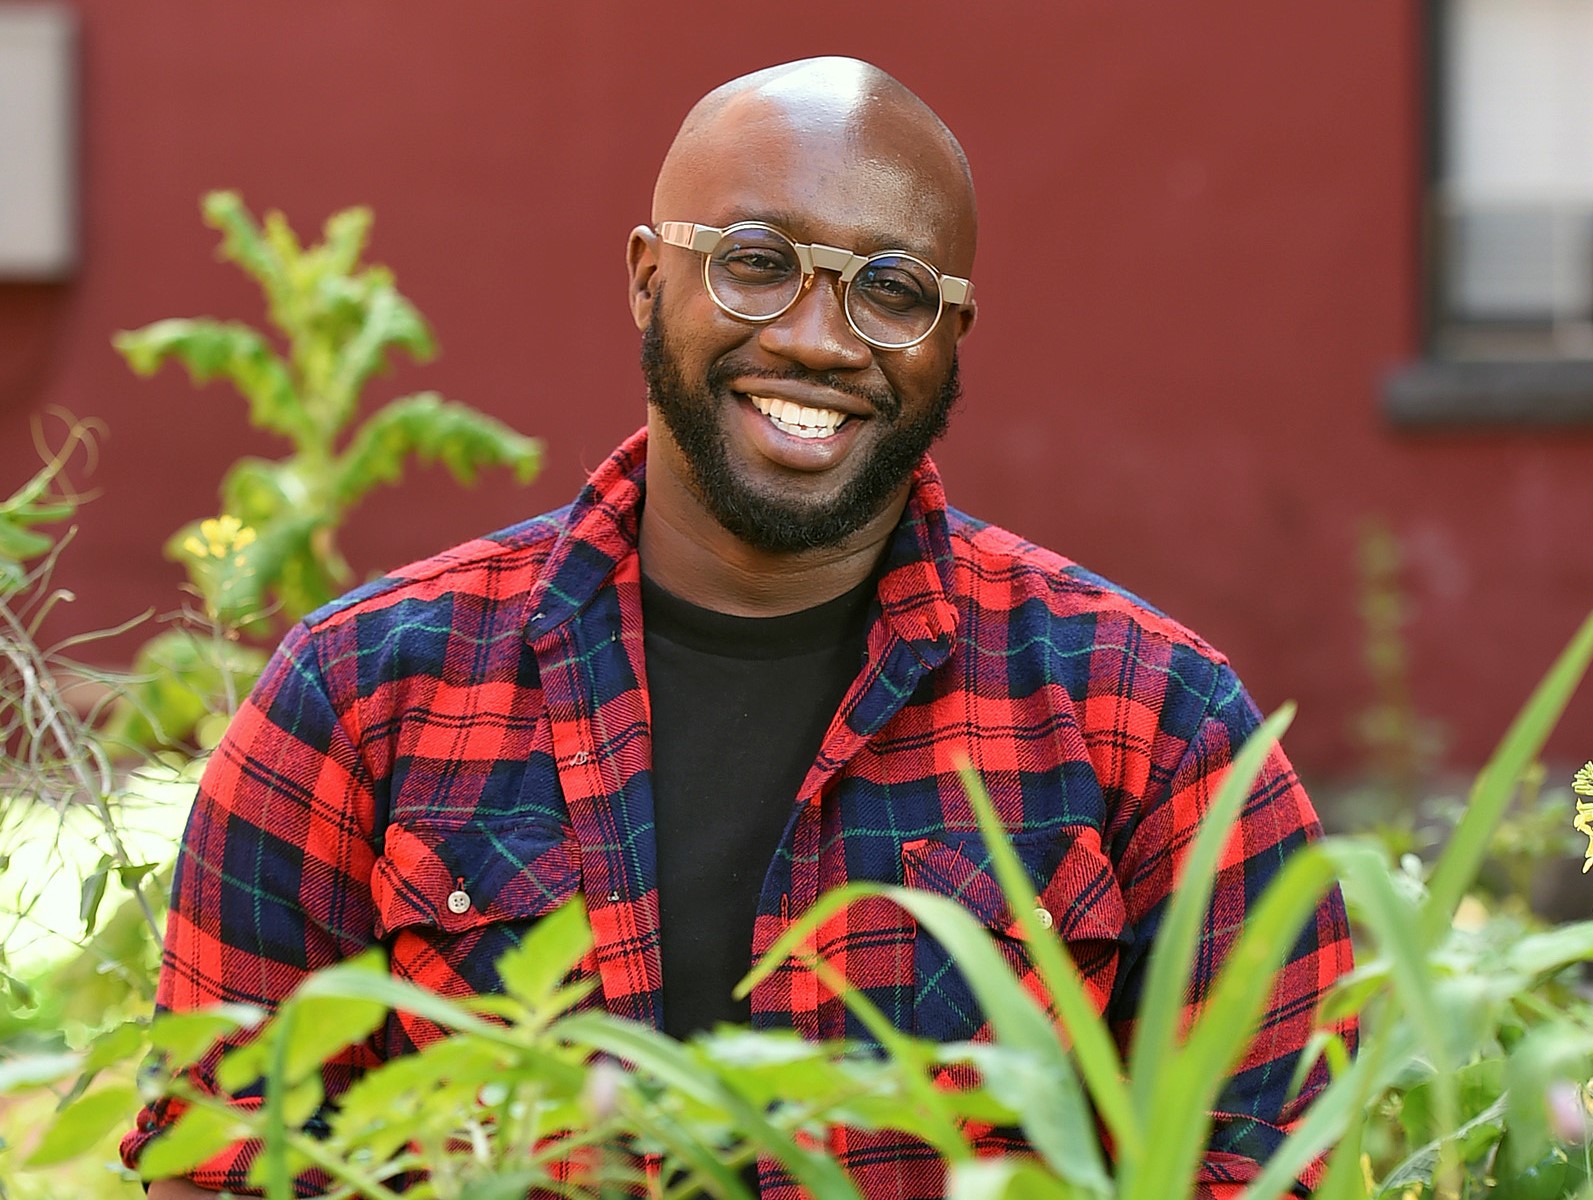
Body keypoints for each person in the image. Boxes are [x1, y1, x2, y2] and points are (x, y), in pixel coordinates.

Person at [128, 56, 1355, 1199]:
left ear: (953, 338)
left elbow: (1267, 1168)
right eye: (757, 263)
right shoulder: (361, 694)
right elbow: (219, 1156)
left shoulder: (1149, 722)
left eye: (893, 290)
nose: (817, 340)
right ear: (645, 279)